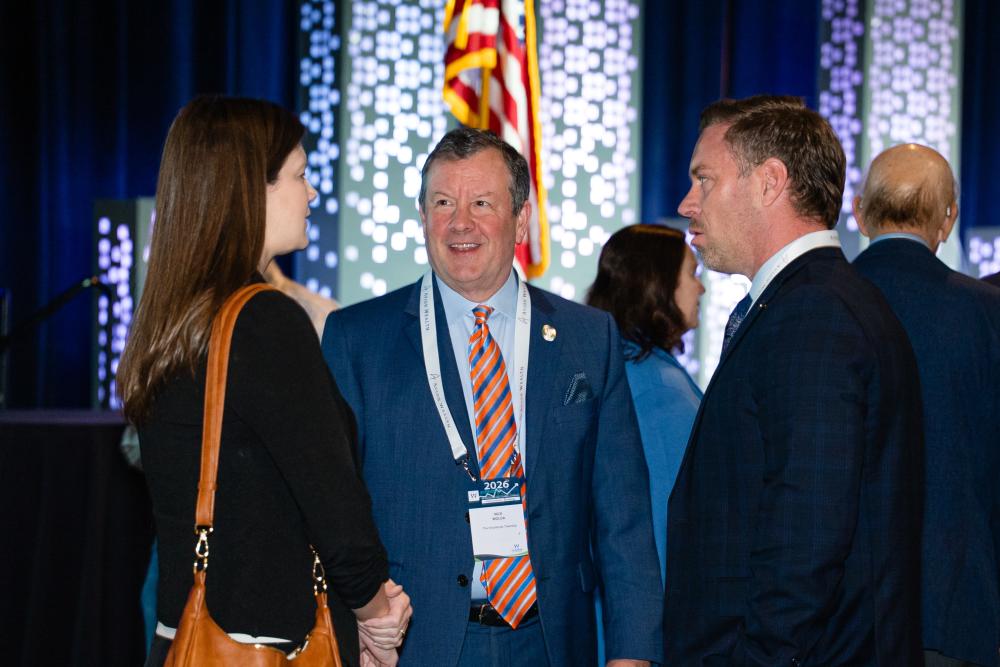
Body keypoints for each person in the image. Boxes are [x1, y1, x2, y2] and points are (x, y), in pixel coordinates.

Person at [322, 127, 663, 666]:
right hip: (413, 645)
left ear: (521, 219)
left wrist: (633, 653)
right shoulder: (356, 340)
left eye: (481, 202)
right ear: (422, 217)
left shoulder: (587, 338)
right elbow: (331, 510)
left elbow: (624, 517)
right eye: (442, 203)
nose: (461, 223)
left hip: (549, 641)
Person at [117, 95, 411, 667]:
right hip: (260, 648)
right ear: (250, 190)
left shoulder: (176, 317)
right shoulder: (263, 320)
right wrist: (377, 613)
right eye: (299, 176)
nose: (312, 194)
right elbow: (331, 499)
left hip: (183, 639)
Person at [664, 95, 924, 665]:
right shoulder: (811, 303)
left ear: (770, 182)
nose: (686, 203)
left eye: (704, 179)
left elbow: (806, 539)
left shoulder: (814, 317)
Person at [852, 143, 1000, 667]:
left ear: (858, 211)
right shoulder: (987, 313)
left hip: (841, 615)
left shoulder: (816, 301)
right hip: (960, 607)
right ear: (949, 218)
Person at [586, 223, 704, 663]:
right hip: (644, 636)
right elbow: (658, 531)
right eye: (691, 273)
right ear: (659, 284)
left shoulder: (603, 364)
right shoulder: (656, 387)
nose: (701, 287)